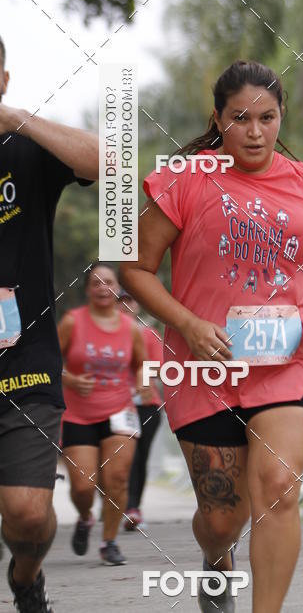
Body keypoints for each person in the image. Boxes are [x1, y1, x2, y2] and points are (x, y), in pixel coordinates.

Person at [120, 60, 303, 613]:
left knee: (277, 488)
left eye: (267, 118)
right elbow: (135, 268)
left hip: (289, 362)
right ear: (218, 119)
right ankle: (216, 557)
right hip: (207, 366)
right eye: (240, 118)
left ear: (281, 117)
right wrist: (188, 324)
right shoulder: (186, 178)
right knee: (223, 519)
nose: (255, 132)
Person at [0, 35, 98, 612]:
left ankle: (25, 578)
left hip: (26, 365)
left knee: (29, 516)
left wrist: (22, 120)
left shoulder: (24, 149)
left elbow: (106, 159)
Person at [57, 263, 146, 566]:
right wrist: (69, 379)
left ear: (118, 288)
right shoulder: (73, 322)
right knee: (83, 486)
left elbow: (141, 367)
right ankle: (85, 518)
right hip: (78, 414)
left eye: (108, 282)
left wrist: (145, 387)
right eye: (95, 283)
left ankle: (109, 542)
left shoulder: (131, 328)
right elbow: (50, 362)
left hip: (120, 412)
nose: (102, 288)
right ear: (87, 290)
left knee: (117, 478)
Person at [117, 290, 163, 531]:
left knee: (138, 456)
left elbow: (159, 368)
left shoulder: (149, 334)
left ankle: (133, 508)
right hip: (114, 406)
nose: (125, 306)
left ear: (137, 304)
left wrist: (141, 377)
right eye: (120, 301)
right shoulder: (107, 336)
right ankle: (119, 505)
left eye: (130, 300)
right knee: (123, 456)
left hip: (146, 406)